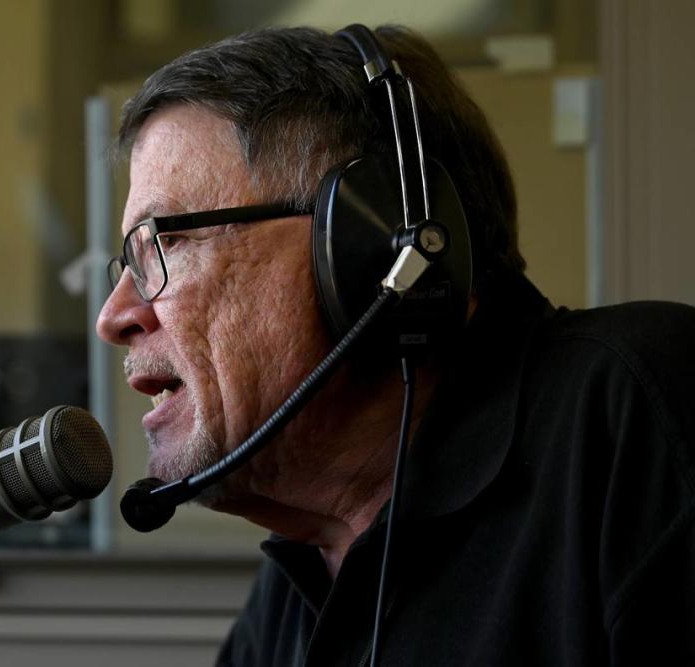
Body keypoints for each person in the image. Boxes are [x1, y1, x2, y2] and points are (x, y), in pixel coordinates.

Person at [96, 24, 695, 667]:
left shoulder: (640, 406)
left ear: (366, 247)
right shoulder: (302, 568)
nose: (116, 316)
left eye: (164, 244)